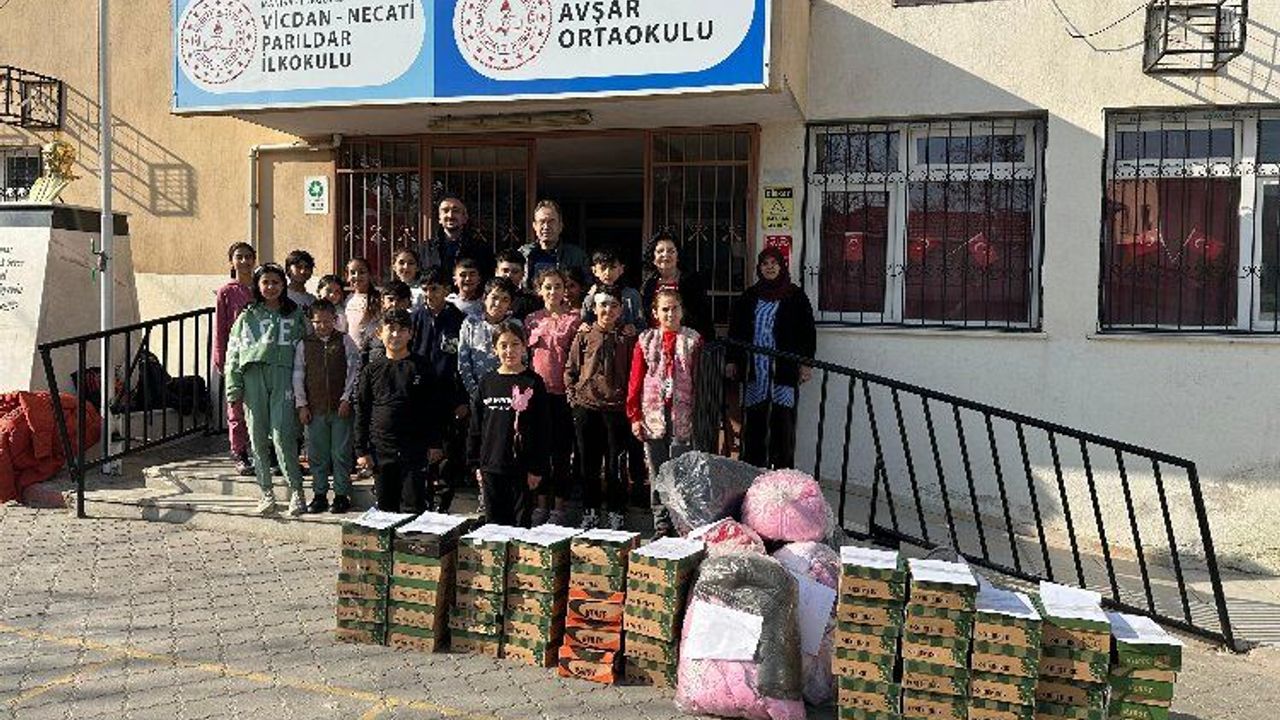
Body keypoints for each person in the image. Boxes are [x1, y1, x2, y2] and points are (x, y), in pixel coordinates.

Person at [225, 263, 308, 516]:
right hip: (253, 377)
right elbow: (233, 351)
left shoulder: (295, 314)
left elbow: (307, 348)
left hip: (284, 376)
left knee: (283, 435)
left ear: (283, 285)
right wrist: (233, 387)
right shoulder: (247, 315)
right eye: (265, 282)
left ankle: (296, 491)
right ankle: (266, 492)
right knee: (258, 437)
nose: (270, 287)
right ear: (257, 286)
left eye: (275, 282)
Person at [727, 248, 817, 471]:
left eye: (773, 263)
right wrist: (732, 360)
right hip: (755, 371)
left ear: (781, 266)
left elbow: (807, 332)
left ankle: (781, 475)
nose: (769, 267)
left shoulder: (795, 296)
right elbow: (736, 331)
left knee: (783, 424)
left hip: (783, 371)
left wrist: (806, 363)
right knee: (754, 423)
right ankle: (752, 473)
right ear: (759, 268)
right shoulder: (749, 296)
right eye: (765, 263)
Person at [627, 288, 702, 539]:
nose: (670, 314)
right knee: (657, 470)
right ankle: (661, 524)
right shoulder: (646, 339)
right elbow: (635, 379)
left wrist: (698, 415)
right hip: (653, 414)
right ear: (655, 313)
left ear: (682, 311)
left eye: (674, 309)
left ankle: (681, 523)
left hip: (683, 414)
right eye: (665, 309)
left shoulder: (692, 340)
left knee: (681, 470)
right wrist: (635, 415)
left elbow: (700, 379)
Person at [566, 287, 637, 531]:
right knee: (589, 463)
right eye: (603, 305)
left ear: (621, 309)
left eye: (614, 305)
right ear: (594, 309)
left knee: (616, 464)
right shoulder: (584, 334)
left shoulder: (628, 336)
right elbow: (571, 368)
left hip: (617, 408)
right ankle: (591, 510)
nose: (608, 310)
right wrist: (573, 397)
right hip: (587, 407)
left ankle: (616, 510)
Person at [354, 309, 439, 513]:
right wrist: (361, 450)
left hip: (415, 449)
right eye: (390, 329)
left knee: (414, 506)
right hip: (381, 450)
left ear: (410, 334)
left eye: (402, 330)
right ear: (379, 333)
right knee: (386, 509)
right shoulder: (371, 370)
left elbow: (433, 408)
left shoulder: (422, 367)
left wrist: (435, 443)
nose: (395, 335)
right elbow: (363, 410)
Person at [467, 321, 550, 527]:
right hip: (491, 466)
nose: (509, 350)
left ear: (524, 346)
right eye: (503, 345)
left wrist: (537, 468)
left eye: (515, 344)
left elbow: (543, 429)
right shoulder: (487, 382)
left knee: (519, 526)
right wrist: (476, 464)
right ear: (494, 349)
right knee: (494, 526)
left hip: (521, 468)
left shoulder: (533, 382)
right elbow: (476, 426)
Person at [292, 300, 360, 514]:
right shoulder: (304, 344)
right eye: (317, 322)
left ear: (335, 319)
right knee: (317, 455)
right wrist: (302, 404)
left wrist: (346, 398)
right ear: (311, 322)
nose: (322, 326)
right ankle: (319, 494)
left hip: (340, 409)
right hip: (315, 410)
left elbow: (354, 371)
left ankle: (341, 495)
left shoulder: (345, 341)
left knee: (341, 453)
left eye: (327, 321)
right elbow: (298, 375)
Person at [523, 268, 579, 526]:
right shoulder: (531, 320)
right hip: (537, 394)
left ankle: (559, 506)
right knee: (539, 450)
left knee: (561, 452)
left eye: (558, 286)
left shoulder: (575, 319)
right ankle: (541, 503)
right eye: (548, 287)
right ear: (539, 290)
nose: (553, 291)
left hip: (563, 394)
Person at [410, 267, 469, 512]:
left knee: (447, 453)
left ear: (446, 290)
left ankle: (443, 505)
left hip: (448, 397)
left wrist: (462, 399)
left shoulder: (459, 319)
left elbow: (464, 362)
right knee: (422, 452)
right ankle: (422, 503)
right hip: (420, 396)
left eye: (434, 289)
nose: (429, 294)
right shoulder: (415, 318)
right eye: (425, 289)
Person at [214, 241, 257, 477]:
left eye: (248, 256)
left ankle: (261, 451)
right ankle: (239, 452)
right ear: (231, 261)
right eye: (239, 257)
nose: (244, 261)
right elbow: (220, 328)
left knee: (259, 408)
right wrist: (220, 358)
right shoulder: (226, 292)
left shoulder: (262, 288)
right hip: (236, 357)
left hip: (260, 357)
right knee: (236, 407)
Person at [640, 232, 714, 338]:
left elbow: (702, 316)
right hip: (656, 340)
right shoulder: (649, 284)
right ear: (653, 258)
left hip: (688, 339)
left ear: (678, 256)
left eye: (671, 251)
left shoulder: (691, 281)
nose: (665, 255)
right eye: (660, 251)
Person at [458, 277, 519, 401]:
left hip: (508, 394)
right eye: (494, 298)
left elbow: (522, 360)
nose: (498, 304)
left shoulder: (515, 325)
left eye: (505, 300)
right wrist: (475, 392)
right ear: (484, 298)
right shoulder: (471, 323)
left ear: (510, 304)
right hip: (478, 393)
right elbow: (463, 361)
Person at [518, 200, 589, 288]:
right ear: (534, 226)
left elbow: (587, 287)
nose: (546, 227)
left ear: (560, 226)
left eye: (551, 221)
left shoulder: (576, 256)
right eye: (542, 221)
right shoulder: (524, 254)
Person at [432, 195, 495, 280]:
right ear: (439, 218)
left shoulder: (481, 249)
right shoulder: (425, 250)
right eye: (445, 211)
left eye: (455, 211)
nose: (450, 215)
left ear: (465, 217)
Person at [581, 247, 643, 331]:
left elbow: (642, 324)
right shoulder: (591, 296)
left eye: (612, 267)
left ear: (621, 269)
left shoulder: (632, 295)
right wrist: (584, 326)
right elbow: (585, 321)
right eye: (603, 268)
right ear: (594, 270)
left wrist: (634, 329)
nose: (608, 273)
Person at [344, 257, 382, 356]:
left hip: (373, 352)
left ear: (369, 275)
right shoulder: (348, 299)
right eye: (352, 273)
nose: (357, 276)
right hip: (352, 353)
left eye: (362, 272)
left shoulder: (378, 299)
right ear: (347, 276)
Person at [496, 248, 542, 320]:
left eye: (515, 272)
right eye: (505, 270)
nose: (509, 275)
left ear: (522, 274)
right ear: (496, 272)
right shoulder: (486, 298)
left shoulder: (532, 301)